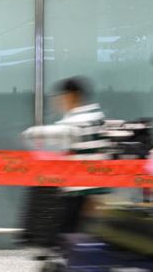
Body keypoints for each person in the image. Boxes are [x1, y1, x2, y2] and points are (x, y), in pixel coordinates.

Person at [22, 77, 110, 238]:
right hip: (84, 188)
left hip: (81, 189)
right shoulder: (92, 118)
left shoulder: (83, 120)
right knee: (73, 232)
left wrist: (31, 133)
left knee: (70, 232)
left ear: (71, 95)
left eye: (61, 97)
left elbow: (64, 133)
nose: (58, 101)